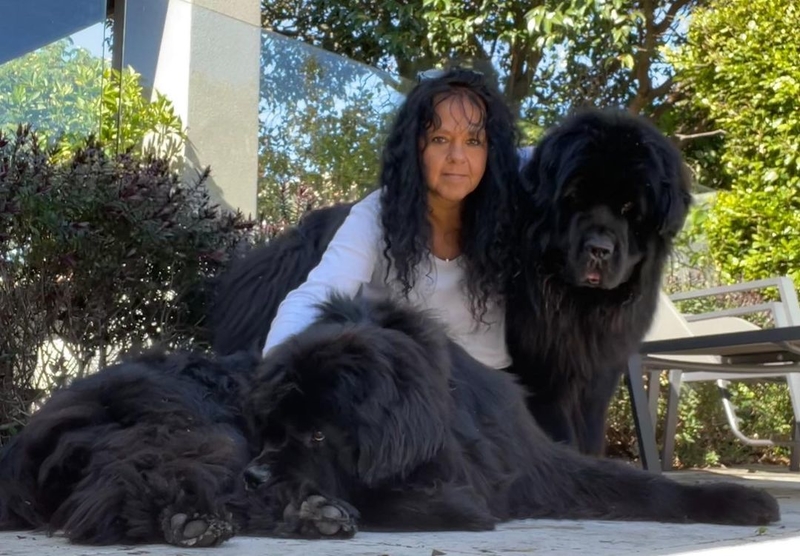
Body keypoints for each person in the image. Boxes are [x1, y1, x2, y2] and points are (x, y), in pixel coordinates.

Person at [262, 67, 521, 369]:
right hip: (409, 390)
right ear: (414, 147)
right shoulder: (378, 214)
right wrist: (276, 370)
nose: (458, 156)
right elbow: (320, 293)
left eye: (474, 141)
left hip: (493, 393)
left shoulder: (511, 208)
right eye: (439, 138)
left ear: (493, 150)